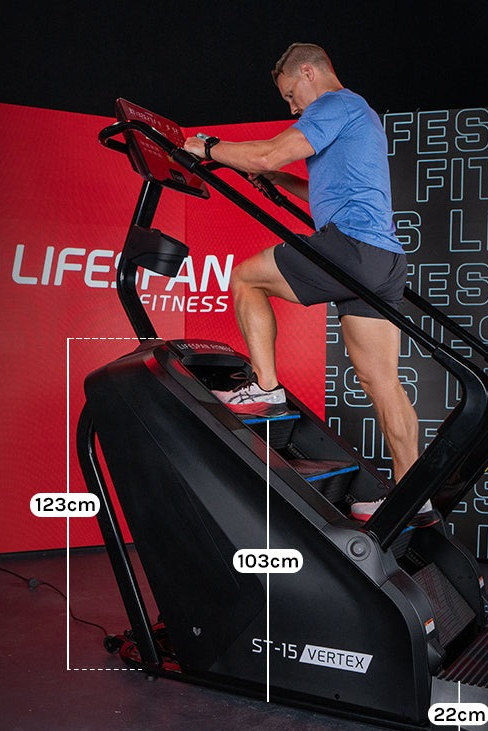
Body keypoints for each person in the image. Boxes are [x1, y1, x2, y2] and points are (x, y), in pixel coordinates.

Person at [183, 42, 430, 521]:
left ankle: (266, 389)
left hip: (353, 248)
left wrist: (210, 148)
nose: (293, 106)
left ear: (310, 72)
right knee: (382, 383)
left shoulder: (336, 104)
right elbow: (323, 190)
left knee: (246, 279)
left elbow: (271, 154)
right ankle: (411, 495)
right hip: (384, 259)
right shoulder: (360, 115)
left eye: (292, 94)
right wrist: (279, 186)